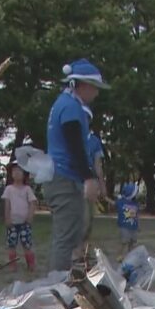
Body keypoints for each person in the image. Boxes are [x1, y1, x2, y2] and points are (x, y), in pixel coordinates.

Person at [44, 58, 109, 271]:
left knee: (68, 234)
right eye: (95, 88)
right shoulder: (71, 107)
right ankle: (57, 286)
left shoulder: (63, 104)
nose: (97, 94)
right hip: (65, 178)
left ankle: (62, 282)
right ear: (84, 85)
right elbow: (75, 147)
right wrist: (89, 178)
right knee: (66, 237)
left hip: (61, 176)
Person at [2, 162, 38, 273]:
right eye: (14, 171)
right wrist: (7, 218)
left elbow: (32, 203)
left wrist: (30, 217)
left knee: (26, 244)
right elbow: (7, 204)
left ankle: (31, 264)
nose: (16, 173)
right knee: (11, 244)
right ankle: (12, 265)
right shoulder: (8, 189)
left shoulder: (27, 189)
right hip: (12, 222)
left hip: (24, 222)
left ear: (24, 174)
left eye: (19, 171)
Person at [81, 105, 107, 247]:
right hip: (72, 180)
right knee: (80, 218)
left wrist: (102, 185)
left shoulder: (94, 141)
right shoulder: (69, 137)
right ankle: (75, 252)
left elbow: (98, 165)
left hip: (89, 181)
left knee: (89, 218)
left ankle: (82, 249)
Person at [115, 183, 140, 260]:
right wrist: (105, 198)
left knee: (132, 243)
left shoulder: (136, 204)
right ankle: (119, 255)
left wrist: (138, 225)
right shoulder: (121, 202)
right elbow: (114, 203)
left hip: (133, 227)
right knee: (123, 242)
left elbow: (136, 216)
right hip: (124, 227)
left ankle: (130, 256)